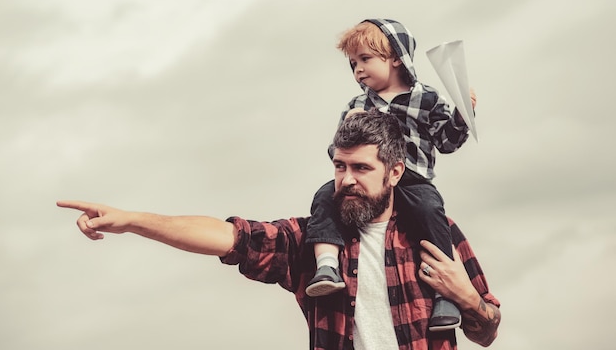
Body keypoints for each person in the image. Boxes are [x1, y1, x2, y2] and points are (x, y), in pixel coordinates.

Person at [58, 110, 500, 350]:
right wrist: (133, 221)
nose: (346, 179)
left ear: (396, 172)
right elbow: (229, 236)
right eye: (339, 166)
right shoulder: (313, 241)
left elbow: (487, 331)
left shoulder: (434, 233)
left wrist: (467, 298)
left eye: (362, 168)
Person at [305, 19, 477, 332]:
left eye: (365, 59)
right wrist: (349, 129)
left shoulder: (425, 99)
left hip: (412, 180)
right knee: (325, 196)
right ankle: (327, 266)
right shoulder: (357, 105)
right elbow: (339, 154)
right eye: (353, 63)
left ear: (396, 57)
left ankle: (443, 295)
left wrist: (462, 117)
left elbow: (447, 142)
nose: (358, 69)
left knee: (430, 210)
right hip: (368, 182)